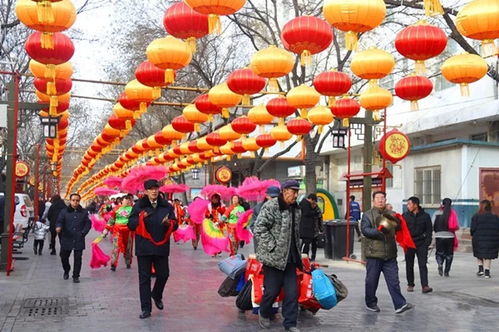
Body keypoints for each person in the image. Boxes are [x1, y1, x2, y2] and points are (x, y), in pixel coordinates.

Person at [254, 179, 302, 332]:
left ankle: (290, 323)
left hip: (291, 258)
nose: (295, 195)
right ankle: (264, 312)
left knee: (292, 292)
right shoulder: (272, 206)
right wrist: (272, 246)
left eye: (297, 191)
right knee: (271, 291)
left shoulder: (297, 209)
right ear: (285, 191)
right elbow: (259, 228)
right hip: (274, 258)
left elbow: (295, 233)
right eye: (293, 191)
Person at [128, 179, 177, 319]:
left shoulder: (166, 206)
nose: (154, 191)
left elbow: (176, 224)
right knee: (144, 279)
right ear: (146, 191)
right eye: (151, 189)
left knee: (164, 274)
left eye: (156, 188)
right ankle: (146, 309)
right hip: (144, 247)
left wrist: (170, 223)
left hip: (161, 246)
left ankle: (156, 294)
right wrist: (140, 218)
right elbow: (131, 224)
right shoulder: (138, 206)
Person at [361, 191, 412, 314]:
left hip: (390, 255)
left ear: (385, 200)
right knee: (371, 281)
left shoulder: (391, 214)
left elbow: (399, 228)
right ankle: (371, 303)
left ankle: (400, 304)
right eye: (377, 198)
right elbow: (365, 230)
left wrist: (399, 221)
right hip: (374, 254)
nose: (380, 200)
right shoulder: (367, 215)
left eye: (382, 198)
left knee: (394, 281)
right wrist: (379, 232)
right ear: (373, 200)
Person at [56, 193, 91, 283]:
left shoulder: (84, 212)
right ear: (70, 201)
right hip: (66, 237)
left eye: (77, 200)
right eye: (73, 200)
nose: (75, 202)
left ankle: (76, 275)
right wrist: (59, 227)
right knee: (64, 256)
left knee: (78, 258)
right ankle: (66, 270)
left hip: (79, 238)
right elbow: (59, 221)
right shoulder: (64, 211)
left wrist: (83, 233)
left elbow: (88, 224)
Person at [403, 196, 433, 293]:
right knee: (409, 265)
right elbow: (402, 230)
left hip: (421, 243)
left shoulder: (425, 216)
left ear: (415, 205)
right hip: (409, 243)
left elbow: (429, 231)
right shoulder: (405, 216)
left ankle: (425, 285)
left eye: (409, 204)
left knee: (422, 264)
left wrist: (427, 243)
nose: (408, 206)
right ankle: (410, 284)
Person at [103, 194, 134, 271]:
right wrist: (106, 229)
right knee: (116, 247)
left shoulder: (133, 209)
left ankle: (128, 261)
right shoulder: (116, 209)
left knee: (128, 247)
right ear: (121, 201)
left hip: (129, 231)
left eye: (129, 200)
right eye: (126, 200)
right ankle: (113, 264)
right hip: (117, 231)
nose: (128, 201)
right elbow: (112, 220)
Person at [470, 200, 499, 279]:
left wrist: (472, 234)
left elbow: (472, 229)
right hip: (491, 239)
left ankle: (480, 269)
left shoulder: (476, 216)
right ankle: (487, 272)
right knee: (488, 255)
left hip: (478, 238)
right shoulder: (495, 217)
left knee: (479, 252)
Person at [433, 198, 459, 277]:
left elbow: (432, 223)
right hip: (450, 236)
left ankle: (440, 264)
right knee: (449, 254)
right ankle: (446, 271)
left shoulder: (437, 212)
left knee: (439, 253)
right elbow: (456, 226)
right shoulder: (453, 213)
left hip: (439, 236)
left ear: (442, 204)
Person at [299, 193, 323, 261]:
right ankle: (304, 257)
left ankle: (309, 257)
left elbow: (320, 218)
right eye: (314, 201)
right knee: (305, 244)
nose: (314, 203)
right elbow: (307, 213)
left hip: (311, 229)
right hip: (307, 229)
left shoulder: (312, 206)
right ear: (311, 199)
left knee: (311, 244)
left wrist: (321, 229)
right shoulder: (305, 204)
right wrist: (314, 212)